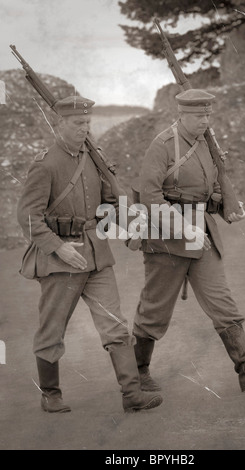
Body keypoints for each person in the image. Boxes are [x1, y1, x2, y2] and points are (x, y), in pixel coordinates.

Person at [132, 88, 245, 394]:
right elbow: (149, 195)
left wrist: (222, 202)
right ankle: (138, 372)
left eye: (207, 115)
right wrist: (184, 229)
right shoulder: (162, 144)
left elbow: (207, 191)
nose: (205, 121)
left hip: (202, 232)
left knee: (223, 303)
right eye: (198, 115)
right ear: (182, 115)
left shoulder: (205, 144)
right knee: (155, 308)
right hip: (167, 240)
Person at [17, 95, 163, 414]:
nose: (84, 128)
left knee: (114, 325)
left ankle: (131, 393)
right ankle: (50, 394)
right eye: (77, 123)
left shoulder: (95, 158)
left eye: (87, 123)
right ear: (60, 124)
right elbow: (28, 217)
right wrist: (57, 247)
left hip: (96, 256)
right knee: (52, 328)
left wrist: (132, 226)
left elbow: (110, 204)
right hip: (60, 261)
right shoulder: (46, 164)